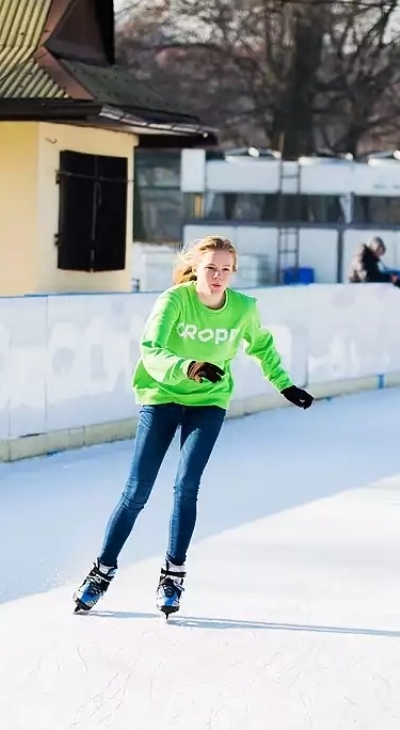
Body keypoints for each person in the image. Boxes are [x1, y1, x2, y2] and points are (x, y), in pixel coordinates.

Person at [73, 235, 315, 617]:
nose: (218, 276)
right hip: (162, 395)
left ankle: (173, 575)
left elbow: (261, 346)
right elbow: (151, 349)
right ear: (197, 268)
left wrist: (284, 384)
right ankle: (102, 571)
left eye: (225, 270)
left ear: (233, 272)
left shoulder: (243, 308)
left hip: (208, 402)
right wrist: (188, 367)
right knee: (138, 488)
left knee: (186, 486)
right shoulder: (174, 300)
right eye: (210, 268)